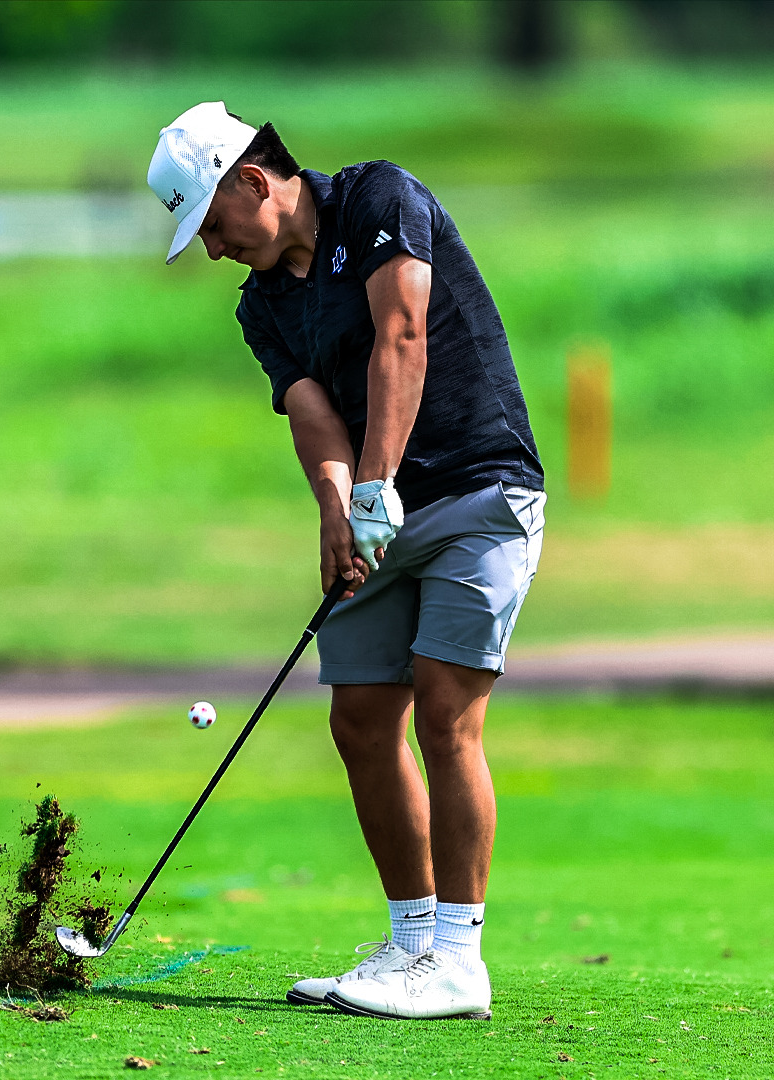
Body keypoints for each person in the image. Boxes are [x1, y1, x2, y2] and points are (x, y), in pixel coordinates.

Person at [145, 102, 546, 1020]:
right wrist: (338, 508)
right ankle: (409, 948)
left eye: (210, 223)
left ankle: (458, 959)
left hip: (481, 493)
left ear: (253, 180)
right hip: (377, 509)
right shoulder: (262, 304)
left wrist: (373, 489)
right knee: (362, 721)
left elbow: (402, 337)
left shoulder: (379, 199)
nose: (210, 249)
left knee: (445, 713)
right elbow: (314, 409)